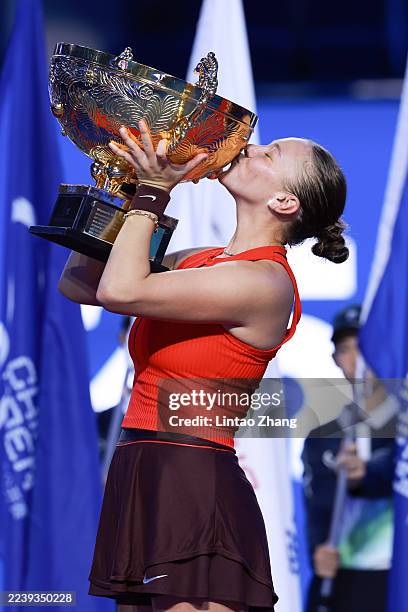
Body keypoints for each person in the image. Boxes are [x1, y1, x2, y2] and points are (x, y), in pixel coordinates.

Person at [58, 118, 349, 612]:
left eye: (270, 153)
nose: (251, 148)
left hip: (191, 478)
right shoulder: (199, 260)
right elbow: (82, 284)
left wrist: (153, 193)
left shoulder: (265, 282)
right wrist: (125, 184)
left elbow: (120, 291)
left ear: (284, 202)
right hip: (142, 469)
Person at [302, 304, 398, 612]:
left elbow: (393, 467)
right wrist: (318, 550)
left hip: (399, 579)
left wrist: (368, 473)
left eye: (365, 347)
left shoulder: (403, 431)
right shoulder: (321, 439)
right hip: (344, 582)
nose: (357, 360)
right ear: (334, 360)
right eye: (346, 350)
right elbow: (316, 507)